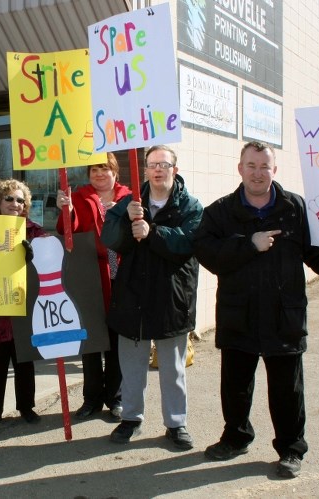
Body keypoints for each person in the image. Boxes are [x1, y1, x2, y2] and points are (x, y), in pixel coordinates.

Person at [193, 141, 319, 478]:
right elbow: (208, 254)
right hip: (239, 314)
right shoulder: (220, 212)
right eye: (251, 166)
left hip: (283, 315)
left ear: (274, 170)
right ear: (240, 169)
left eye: (264, 166)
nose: (258, 173)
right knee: (235, 385)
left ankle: (291, 449)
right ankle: (236, 437)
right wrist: (248, 245)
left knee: (287, 389)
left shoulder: (294, 207)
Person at [100, 145, 202, 449]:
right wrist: (124, 221)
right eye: (152, 164)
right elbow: (110, 239)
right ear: (145, 170)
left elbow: (188, 244)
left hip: (172, 298)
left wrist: (152, 231)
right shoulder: (128, 203)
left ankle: (176, 423)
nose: (158, 169)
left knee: (172, 367)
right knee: (132, 366)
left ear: (175, 170)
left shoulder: (191, 206)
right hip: (133, 296)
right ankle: (131, 418)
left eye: (164, 164)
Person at [56, 152, 132, 421]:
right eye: (94, 170)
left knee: (114, 340)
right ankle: (91, 399)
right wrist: (66, 209)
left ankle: (116, 398)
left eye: (104, 169)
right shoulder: (79, 195)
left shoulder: (129, 197)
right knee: (89, 340)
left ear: (115, 172)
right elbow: (68, 230)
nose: (99, 174)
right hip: (90, 274)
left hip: (120, 275)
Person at [0, 179, 46, 424]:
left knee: (24, 361)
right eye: (9, 198)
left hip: (25, 308)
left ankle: (26, 407)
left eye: (20, 200)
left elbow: (52, 257)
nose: (15, 203)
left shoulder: (35, 231)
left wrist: (36, 256)